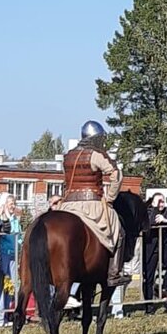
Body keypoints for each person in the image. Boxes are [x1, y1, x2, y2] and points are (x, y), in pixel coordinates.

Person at [60, 121, 128, 289]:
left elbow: (65, 182)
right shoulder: (96, 155)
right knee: (118, 232)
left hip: (67, 205)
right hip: (91, 204)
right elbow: (115, 174)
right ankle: (114, 273)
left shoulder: (68, 156)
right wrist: (110, 197)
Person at [142, 192, 167, 308]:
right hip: (150, 247)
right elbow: (150, 222)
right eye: (159, 201)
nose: (162, 204)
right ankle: (149, 305)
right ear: (153, 202)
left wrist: (165, 220)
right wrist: (156, 208)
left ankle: (166, 287)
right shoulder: (147, 211)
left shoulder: (166, 212)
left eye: (162, 201)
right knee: (149, 276)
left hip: (164, 245)